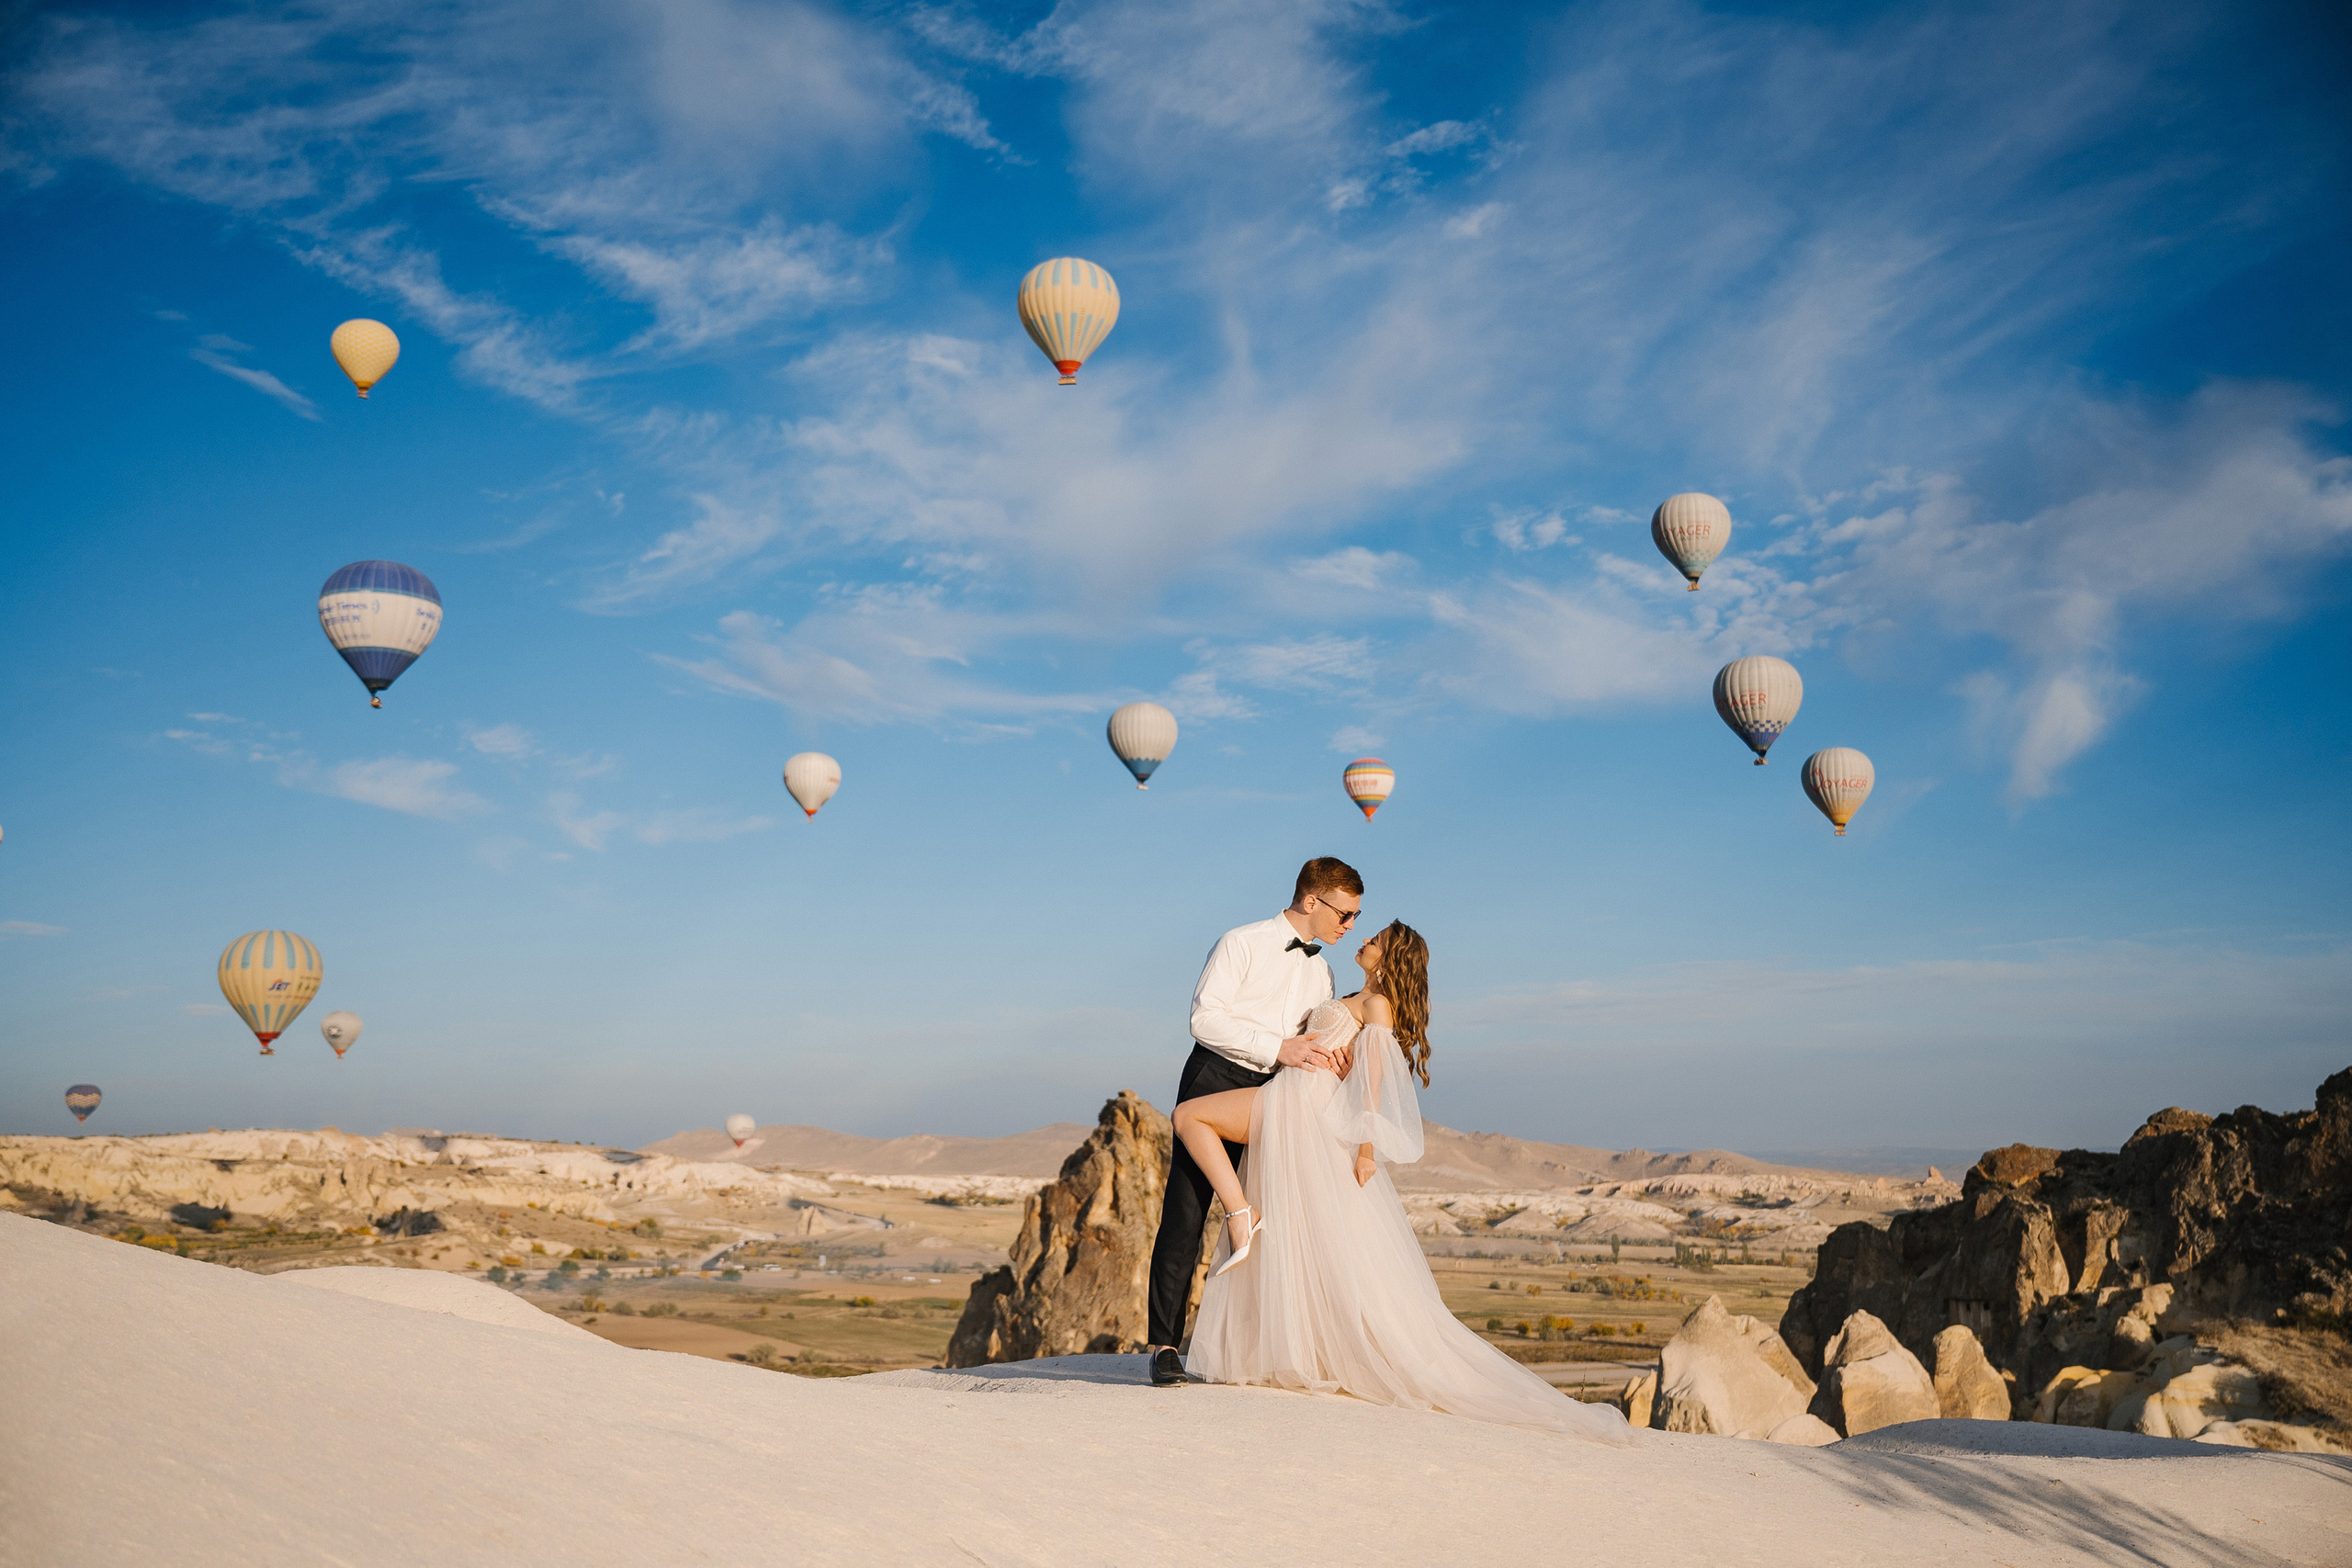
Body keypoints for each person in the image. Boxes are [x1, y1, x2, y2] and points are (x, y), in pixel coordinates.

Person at [1172, 919, 1633, 1443]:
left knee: (1191, 1117)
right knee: (1298, 1229)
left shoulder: (1378, 1006)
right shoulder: (1345, 991)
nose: (1364, 940)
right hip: (1294, 1099)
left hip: (1304, 1107)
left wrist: (1366, 1150)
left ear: (1390, 959)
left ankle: (1240, 1214)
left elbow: (1373, 1080)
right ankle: (1258, 1253)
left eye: (1376, 940)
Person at [1142, 857, 1363, 1387]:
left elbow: (1314, 1036)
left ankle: (1259, 1347)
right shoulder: (1239, 942)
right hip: (1215, 1078)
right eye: (1345, 914)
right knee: (1187, 1209)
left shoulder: (1323, 969)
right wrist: (1276, 1047)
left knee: (1281, 1211)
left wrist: (1330, 1057)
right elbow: (1204, 1016)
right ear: (1312, 901)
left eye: (1355, 917)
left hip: (1280, 1095)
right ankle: (1165, 1347)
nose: (1350, 926)